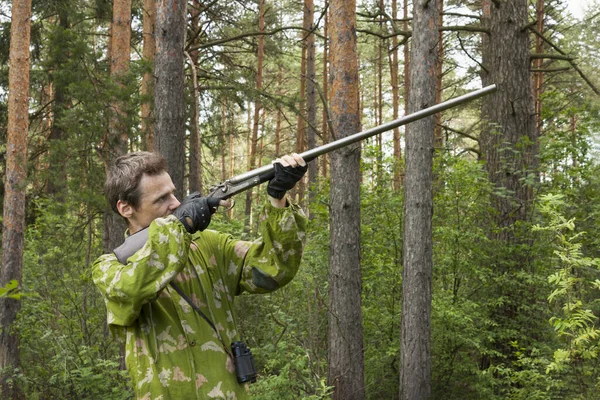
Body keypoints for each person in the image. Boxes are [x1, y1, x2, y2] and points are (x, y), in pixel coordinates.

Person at [92, 151, 308, 399]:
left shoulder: (209, 245)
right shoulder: (110, 268)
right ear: (126, 208)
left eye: (173, 193)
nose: (175, 203)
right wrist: (180, 225)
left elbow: (273, 269)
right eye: (161, 199)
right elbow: (134, 287)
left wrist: (277, 198)